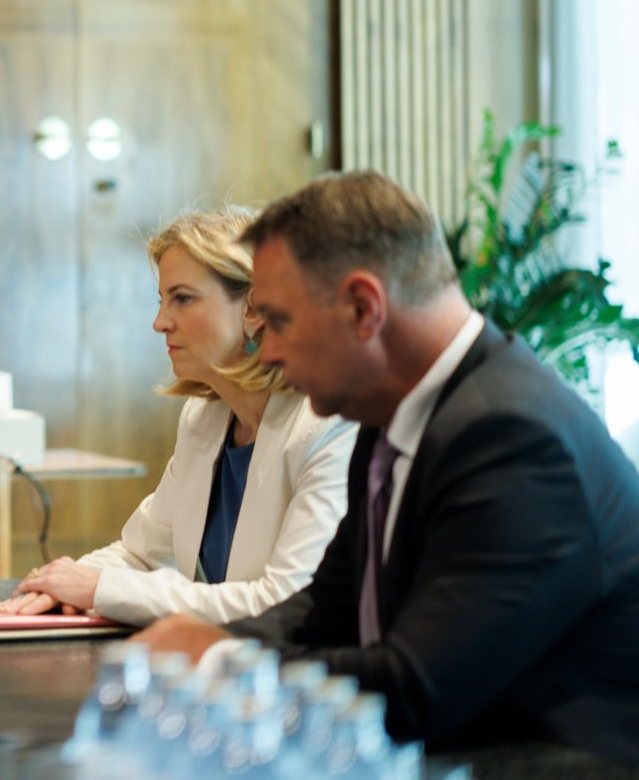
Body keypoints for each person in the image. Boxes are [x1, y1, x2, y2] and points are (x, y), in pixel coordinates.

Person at [136, 171, 639, 763]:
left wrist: (220, 660)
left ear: (362, 308)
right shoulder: (392, 414)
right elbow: (321, 611)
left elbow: (417, 687)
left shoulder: (513, 438)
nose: (266, 350)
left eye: (279, 321)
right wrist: (207, 641)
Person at [0, 208, 354, 627]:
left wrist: (96, 589)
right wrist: (53, 583)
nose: (159, 322)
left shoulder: (326, 425)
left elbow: (285, 602)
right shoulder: (203, 417)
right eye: (162, 300)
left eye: (182, 299)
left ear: (255, 309)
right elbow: (138, 554)